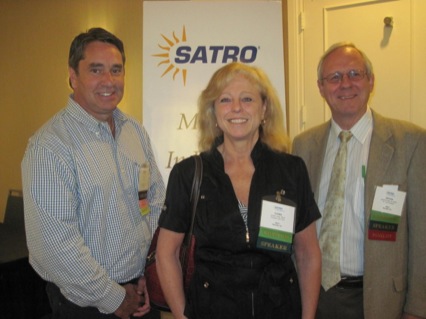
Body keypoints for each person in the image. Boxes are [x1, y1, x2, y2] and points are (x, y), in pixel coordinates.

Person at [155, 62, 321, 319]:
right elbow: (166, 254)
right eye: (225, 100)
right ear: (213, 111)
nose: (236, 108)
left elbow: (308, 254)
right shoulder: (188, 174)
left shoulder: (291, 170)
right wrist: (182, 315)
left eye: (247, 99)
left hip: (280, 310)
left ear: (264, 108)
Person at [21, 27, 166, 319]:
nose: (108, 81)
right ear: (73, 76)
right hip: (86, 305)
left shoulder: (134, 131)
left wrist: (152, 272)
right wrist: (112, 297)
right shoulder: (50, 146)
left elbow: (155, 200)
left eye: (116, 70)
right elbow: (54, 245)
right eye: (96, 70)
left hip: (140, 292)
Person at [292, 42, 426, 319]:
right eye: (334, 77)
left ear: (370, 80)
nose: (345, 84)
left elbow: (422, 233)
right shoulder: (303, 145)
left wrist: (416, 308)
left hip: (378, 298)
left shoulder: (411, 142)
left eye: (355, 74)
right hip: (312, 294)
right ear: (320, 87)